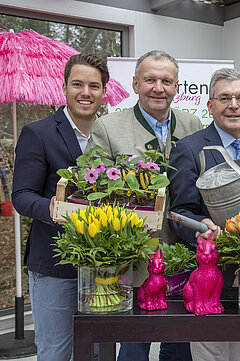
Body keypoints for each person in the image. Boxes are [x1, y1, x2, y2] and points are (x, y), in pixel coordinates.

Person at [87, 50, 202, 361]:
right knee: (135, 344)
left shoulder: (194, 124)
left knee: (180, 343)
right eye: (150, 80)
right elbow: (95, 194)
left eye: (166, 81)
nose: (158, 88)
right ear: (136, 84)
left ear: (177, 86)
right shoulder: (109, 128)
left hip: (185, 255)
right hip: (135, 256)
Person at [168, 68, 240, 361]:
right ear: (209, 105)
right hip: (211, 278)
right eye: (224, 97)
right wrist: (199, 227)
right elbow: (179, 211)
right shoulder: (189, 149)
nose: (234, 105)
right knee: (211, 352)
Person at [12, 53, 109, 361]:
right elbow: (21, 195)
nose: (86, 93)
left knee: (98, 352)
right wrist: (52, 208)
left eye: (94, 86)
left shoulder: (109, 135)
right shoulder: (38, 133)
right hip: (55, 265)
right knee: (56, 352)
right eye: (78, 84)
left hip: (103, 268)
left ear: (103, 91)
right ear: (64, 87)